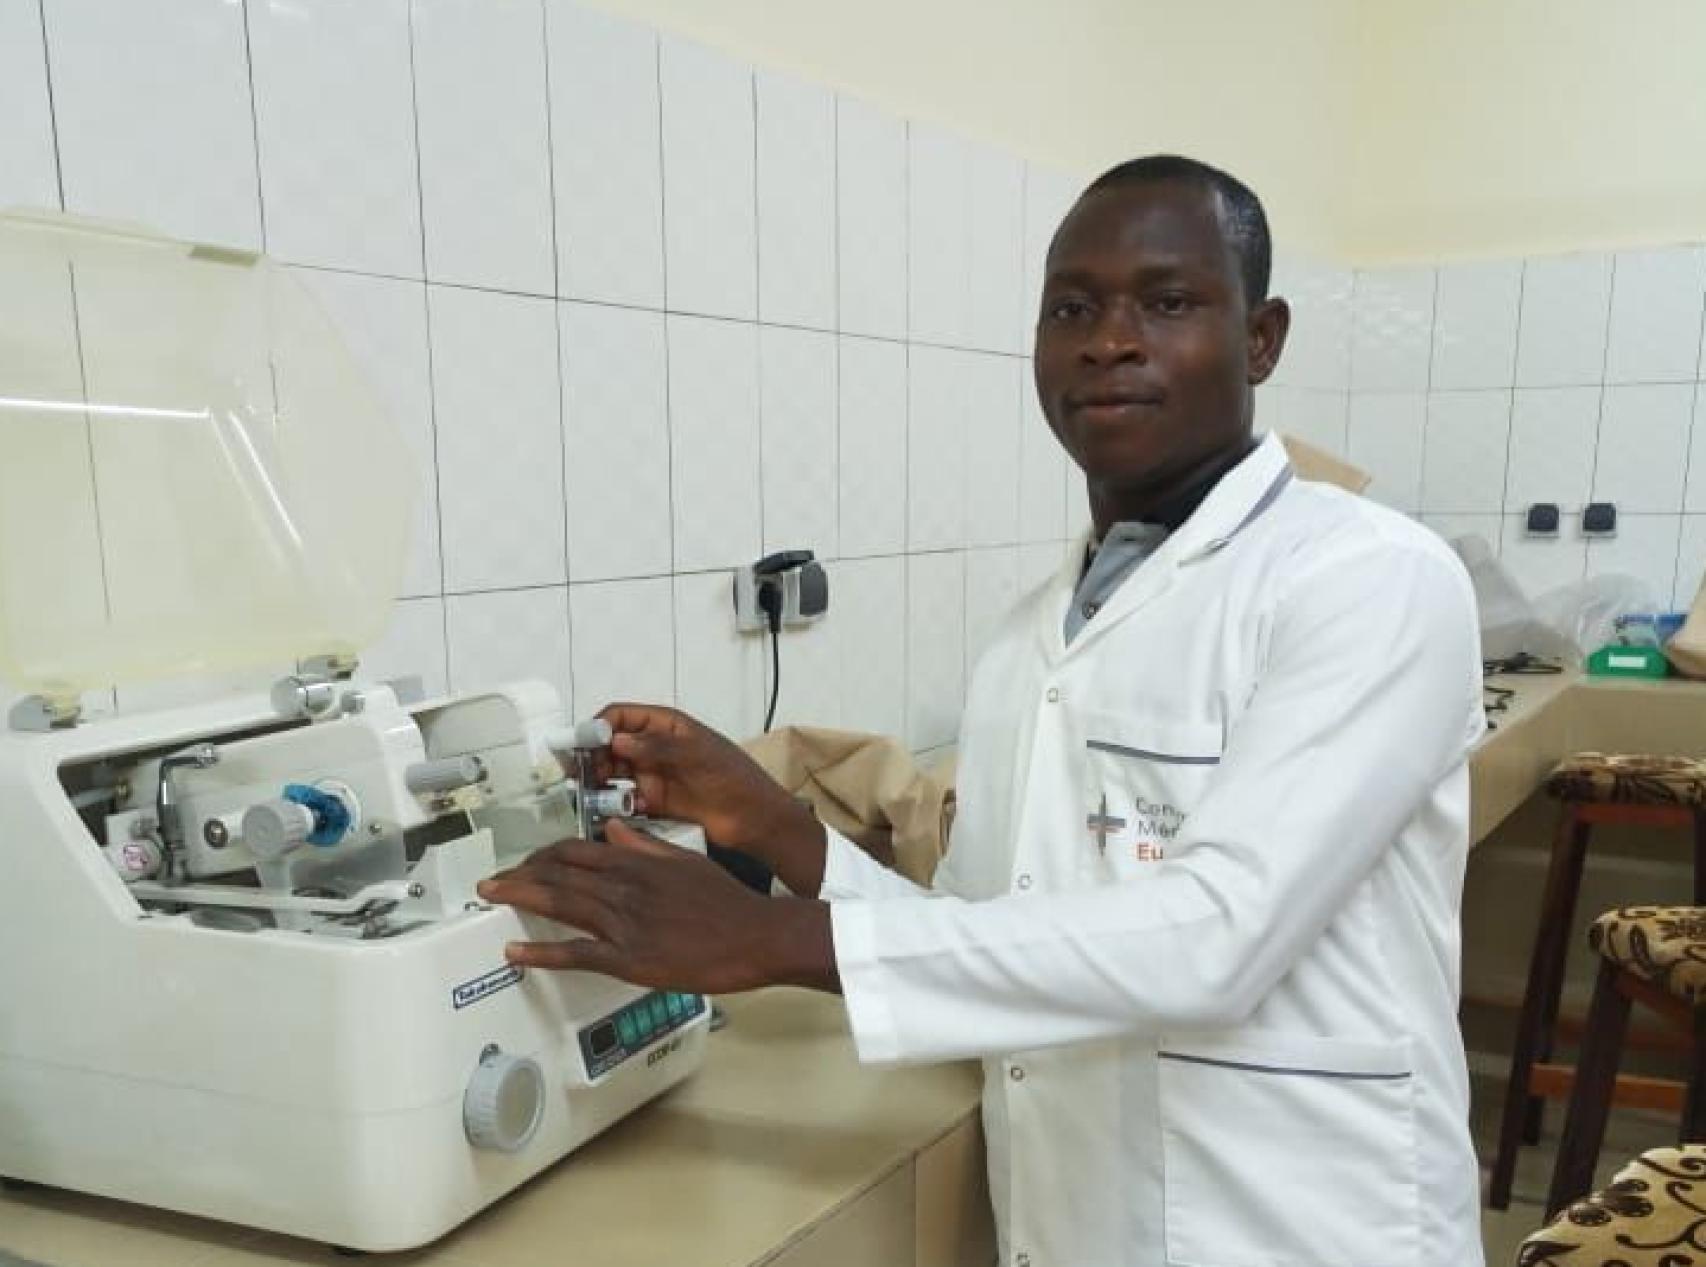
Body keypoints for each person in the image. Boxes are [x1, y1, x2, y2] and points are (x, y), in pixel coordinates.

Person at [479, 154, 1486, 1267]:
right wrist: (774, 829)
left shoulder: (1368, 579)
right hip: (1074, 1226)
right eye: (1071, 308)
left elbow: (1215, 936)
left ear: (1260, 338)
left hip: (1302, 1229)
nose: (1107, 339)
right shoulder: (1027, 642)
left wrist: (771, 939)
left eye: (1165, 301)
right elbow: (980, 925)